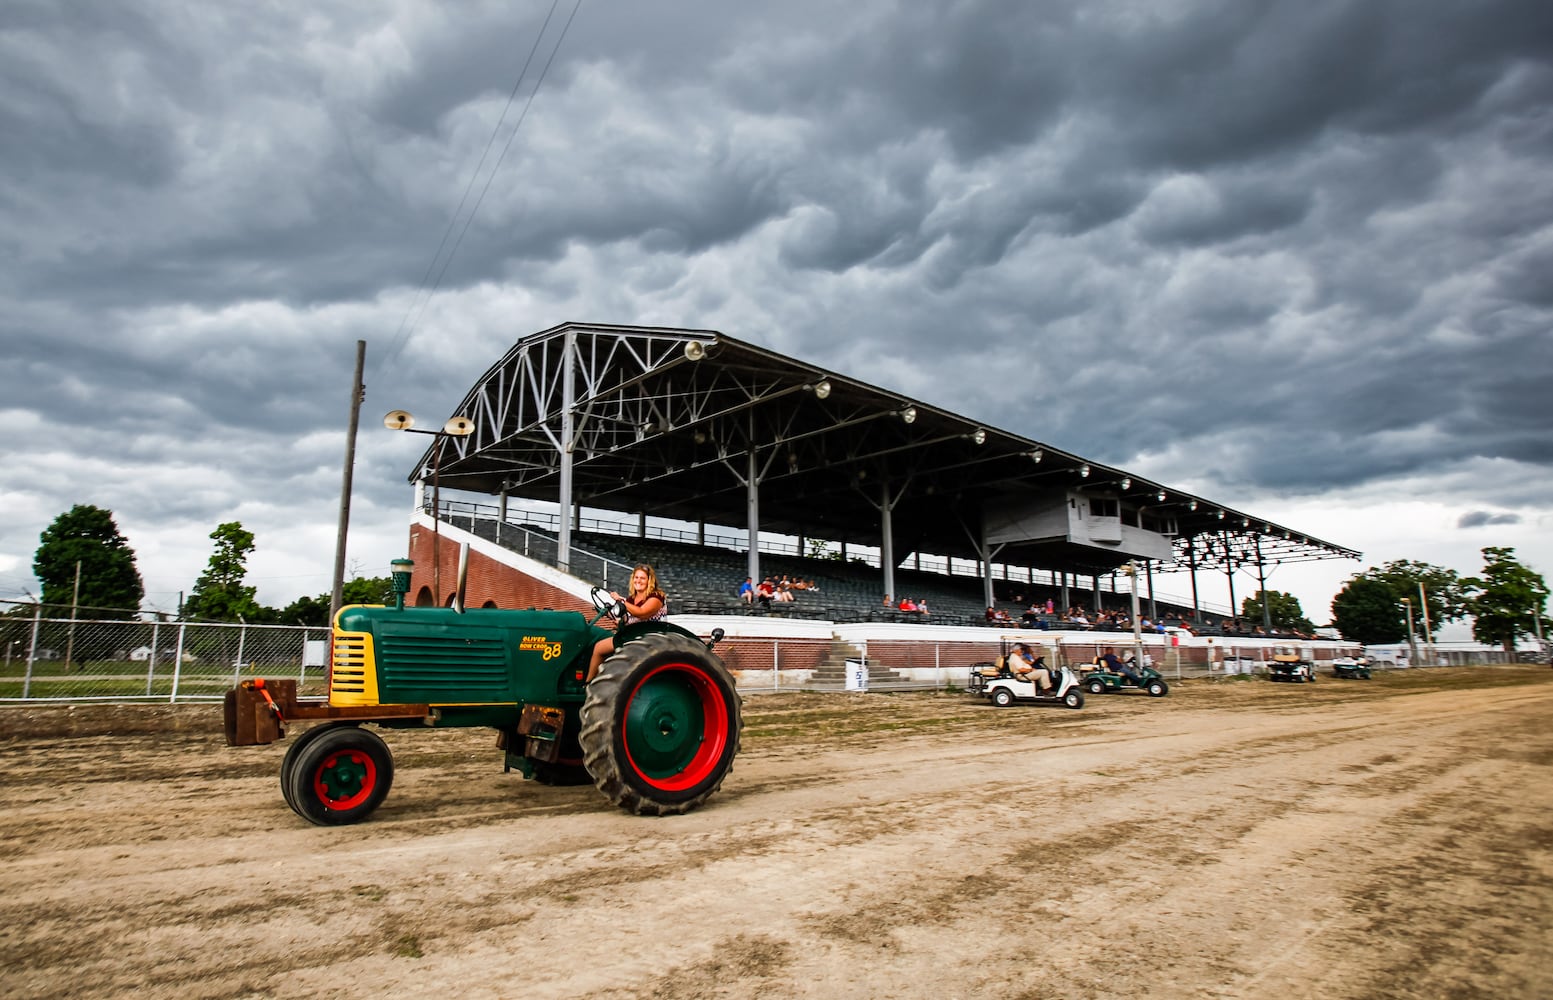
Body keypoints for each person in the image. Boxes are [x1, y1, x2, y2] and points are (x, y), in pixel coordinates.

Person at [587, 565, 667, 682]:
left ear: (650, 580)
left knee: (600, 648)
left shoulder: (656, 597)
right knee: (596, 645)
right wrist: (614, 618)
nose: (638, 580)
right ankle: (590, 680)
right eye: (636, 577)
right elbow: (628, 619)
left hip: (649, 637)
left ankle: (589, 683)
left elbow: (642, 613)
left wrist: (620, 600)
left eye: (642, 578)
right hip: (632, 634)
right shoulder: (631, 599)